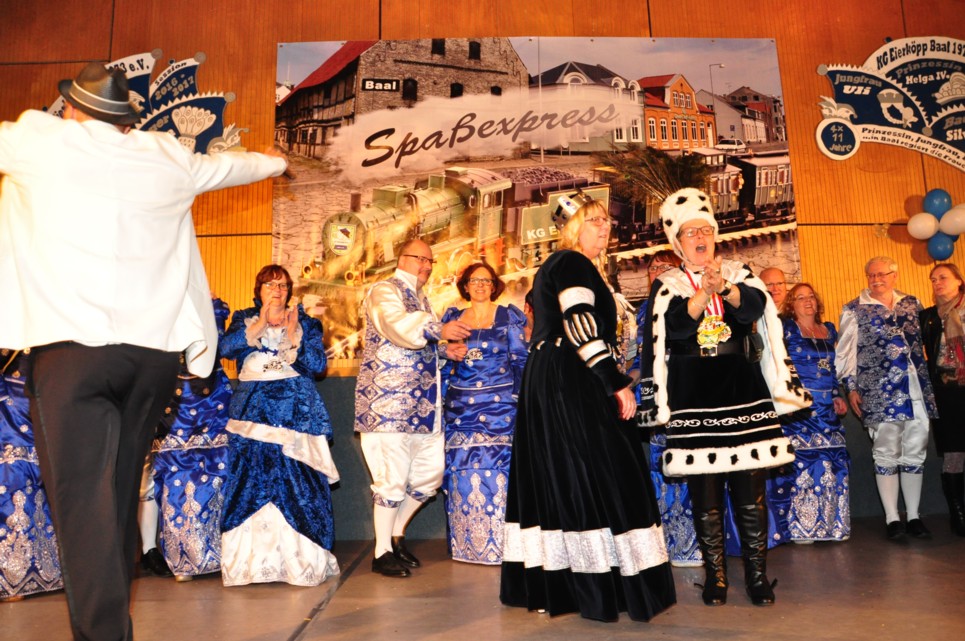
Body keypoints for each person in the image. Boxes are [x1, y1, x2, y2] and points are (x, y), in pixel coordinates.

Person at [0, 62, 287, 640]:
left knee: (81, 502)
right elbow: (237, 166)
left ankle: (103, 636)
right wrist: (279, 161)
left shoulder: (37, 141)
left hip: (72, 356)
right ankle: (114, 628)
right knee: (114, 494)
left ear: (72, 109)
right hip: (151, 360)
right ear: (126, 120)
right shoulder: (166, 157)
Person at [500, 195, 676, 622]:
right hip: (572, 376)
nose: (605, 227)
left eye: (607, 221)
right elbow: (579, 323)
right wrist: (615, 382)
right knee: (603, 471)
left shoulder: (569, 266)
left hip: (558, 375)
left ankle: (575, 585)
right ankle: (605, 585)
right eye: (594, 220)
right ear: (572, 227)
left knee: (570, 476)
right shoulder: (572, 262)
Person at [638, 188, 810, 607]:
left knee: (751, 494)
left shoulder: (739, 272)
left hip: (741, 389)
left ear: (715, 235)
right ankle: (716, 577)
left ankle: (757, 577)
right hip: (693, 394)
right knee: (706, 496)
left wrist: (725, 288)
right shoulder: (667, 285)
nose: (700, 237)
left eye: (705, 231)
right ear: (678, 243)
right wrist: (702, 293)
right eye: (691, 232)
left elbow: (754, 309)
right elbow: (674, 329)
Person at [354, 239, 472, 578]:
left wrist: (444, 352)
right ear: (401, 258)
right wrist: (438, 329)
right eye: (420, 258)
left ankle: (394, 536)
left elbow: (415, 346)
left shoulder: (422, 299)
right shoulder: (384, 290)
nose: (426, 265)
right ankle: (381, 552)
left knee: (429, 475)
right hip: (388, 405)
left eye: (430, 261)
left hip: (424, 408)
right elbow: (395, 326)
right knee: (390, 480)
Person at [219, 265, 339, 586]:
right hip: (252, 413)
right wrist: (260, 324)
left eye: (283, 285)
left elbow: (317, 364)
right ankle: (249, 566)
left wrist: (293, 332)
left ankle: (301, 564)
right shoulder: (244, 319)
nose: (277, 290)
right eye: (270, 284)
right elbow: (226, 349)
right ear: (258, 290)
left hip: (295, 412)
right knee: (249, 483)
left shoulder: (306, 323)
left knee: (298, 483)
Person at [836, 256, 937, 542]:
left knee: (915, 451)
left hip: (916, 388)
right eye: (871, 275)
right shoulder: (854, 309)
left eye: (882, 274)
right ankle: (893, 518)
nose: (876, 279)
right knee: (885, 451)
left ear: (895, 275)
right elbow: (845, 353)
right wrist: (851, 387)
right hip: (878, 391)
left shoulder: (912, 303)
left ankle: (914, 516)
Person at [440, 262, 528, 564]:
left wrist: (520, 400)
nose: (480, 285)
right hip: (461, 408)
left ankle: (503, 546)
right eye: (474, 280)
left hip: (500, 407)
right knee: (461, 470)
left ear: (494, 286)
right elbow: (444, 362)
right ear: (465, 286)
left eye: (486, 281)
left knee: (500, 470)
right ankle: (467, 545)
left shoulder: (508, 317)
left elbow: (520, 360)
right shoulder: (451, 319)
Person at [150, 296, 234, 580]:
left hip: (211, 402)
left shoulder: (213, 306)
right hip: (173, 403)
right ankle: (183, 559)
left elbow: (219, 343)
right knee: (175, 478)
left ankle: (218, 554)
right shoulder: (159, 303)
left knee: (217, 474)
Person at [776, 283, 851, 542]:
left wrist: (837, 394)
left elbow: (833, 367)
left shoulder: (829, 330)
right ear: (791, 304)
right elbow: (779, 366)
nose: (807, 301)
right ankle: (803, 527)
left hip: (827, 408)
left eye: (811, 297)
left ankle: (832, 525)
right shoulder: (787, 329)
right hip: (801, 408)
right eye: (800, 298)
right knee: (804, 463)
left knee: (833, 463)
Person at [0, 349, 62, 601]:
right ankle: (13, 573)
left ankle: (45, 570)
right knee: (13, 475)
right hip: (10, 401)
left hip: (42, 390)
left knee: (41, 475)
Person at [919, 263, 965, 536]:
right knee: (954, 453)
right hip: (946, 393)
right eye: (933, 279)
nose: (937, 283)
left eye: (943, 278)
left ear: (959, 281)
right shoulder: (928, 317)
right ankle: (958, 514)